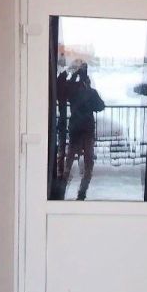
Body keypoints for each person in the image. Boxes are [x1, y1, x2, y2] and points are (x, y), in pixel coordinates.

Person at [62, 62, 105, 200]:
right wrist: (90, 103)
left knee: (69, 160)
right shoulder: (91, 93)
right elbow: (101, 106)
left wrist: (74, 75)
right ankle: (82, 193)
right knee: (88, 163)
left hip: (75, 129)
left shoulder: (72, 91)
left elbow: (66, 88)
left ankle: (62, 188)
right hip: (87, 129)